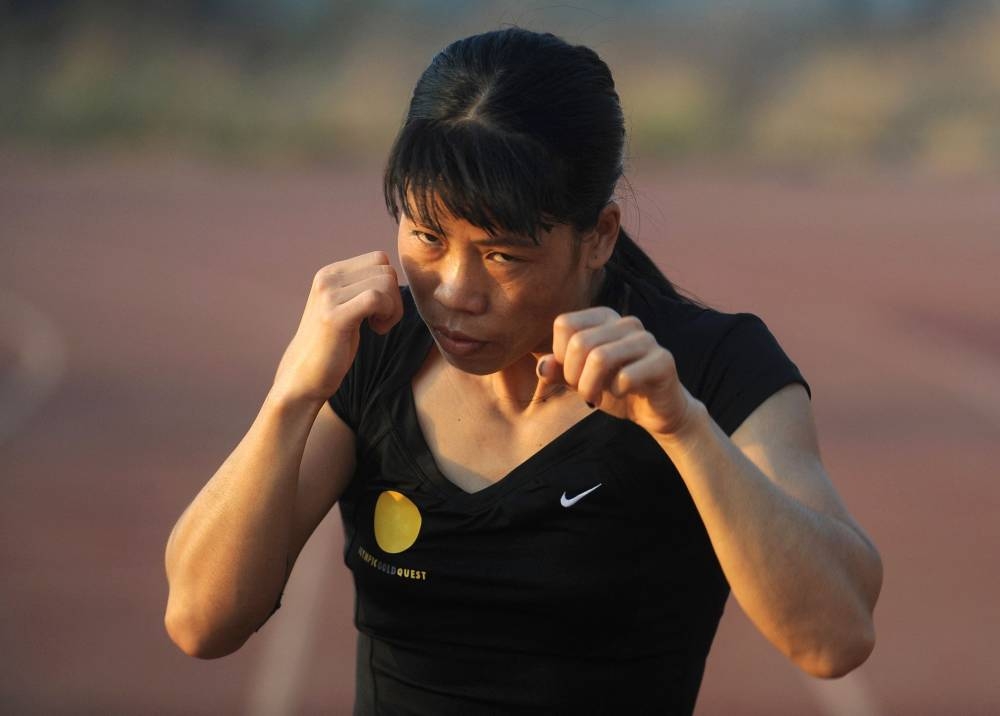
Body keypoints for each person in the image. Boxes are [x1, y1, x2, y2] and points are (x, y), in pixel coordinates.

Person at [164, 27, 882, 715]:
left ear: (598, 237)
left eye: (503, 255)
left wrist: (684, 429)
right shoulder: (372, 354)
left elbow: (836, 636)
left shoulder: (712, 370)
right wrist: (292, 395)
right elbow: (201, 622)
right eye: (426, 236)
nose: (452, 291)